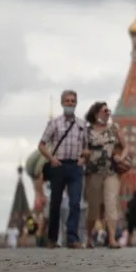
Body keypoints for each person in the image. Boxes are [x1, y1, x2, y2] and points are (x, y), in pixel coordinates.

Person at [37, 89, 89, 249]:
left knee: (75, 203)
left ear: (76, 103)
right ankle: (52, 238)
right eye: (67, 101)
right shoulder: (55, 123)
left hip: (75, 167)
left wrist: (82, 158)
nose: (70, 104)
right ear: (62, 103)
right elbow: (41, 145)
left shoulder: (81, 124)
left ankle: (72, 238)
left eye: (73, 101)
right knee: (56, 203)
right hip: (59, 165)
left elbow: (87, 147)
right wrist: (51, 159)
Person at [83, 101, 126, 249]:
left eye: (109, 111)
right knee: (93, 208)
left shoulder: (114, 128)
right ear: (96, 114)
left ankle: (112, 239)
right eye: (104, 111)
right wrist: (85, 154)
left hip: (111, 172)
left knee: (111, 204)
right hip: (93, 172)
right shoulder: (87, 131)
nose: (108, 113)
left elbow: (125, 146)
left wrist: (121, 157)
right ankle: (89, 237)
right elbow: (81, 150)